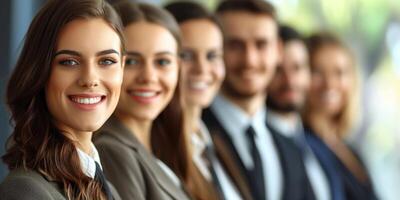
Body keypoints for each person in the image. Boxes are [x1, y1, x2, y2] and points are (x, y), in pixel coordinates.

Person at [0, 0, 125, 199]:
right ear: (39, 71)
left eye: (107, 61)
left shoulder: (108, 189)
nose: (90, 79)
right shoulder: (25, 191)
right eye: (69, 62)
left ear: (122, 67)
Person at [202, 1, 314, 199]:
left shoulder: (290, 149)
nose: (249, 60)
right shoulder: (191, 134)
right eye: (235, 45)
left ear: (278, 50)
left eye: (261, 44)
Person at [93, 2, 191, 200]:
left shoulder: (164, 147)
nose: (148, 77)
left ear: (178, 68)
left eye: (162, 62)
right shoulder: (112, 150)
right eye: (131, 62)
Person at [165, 2, 240, 200]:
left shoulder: (214, 141)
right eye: (186, 55)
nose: (202, 69)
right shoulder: (156, 150)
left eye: (212, 56)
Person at [303, 32, 378, 200]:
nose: (329, 83)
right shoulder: (301, 145)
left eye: (339, 72)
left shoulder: (349, 148)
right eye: (317, 71)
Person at [266, 25, 330, 200]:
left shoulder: (314, 142)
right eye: (278, 69)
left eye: (297, 68)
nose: (289, 80)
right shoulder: (260, 144)